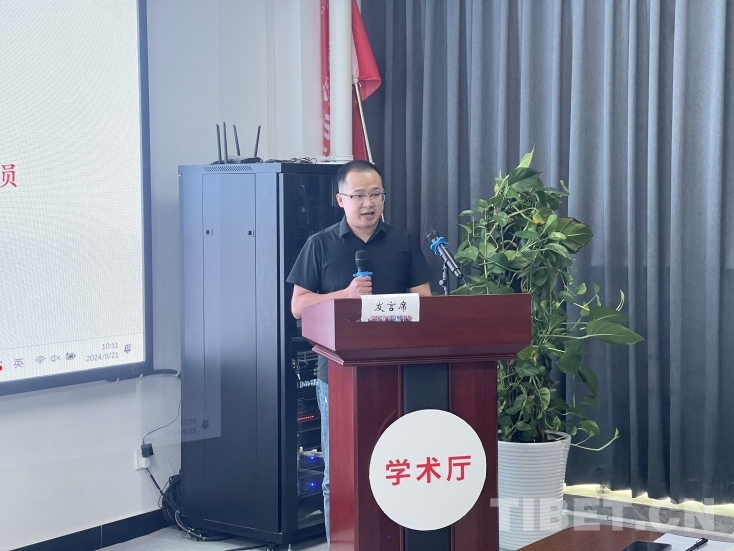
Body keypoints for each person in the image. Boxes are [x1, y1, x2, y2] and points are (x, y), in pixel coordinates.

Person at [286, 160, 433, 543]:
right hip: (336, 375)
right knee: (340, 472)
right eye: (359, 196)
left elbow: (424, 301)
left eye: (376, 195)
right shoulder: (320, 244)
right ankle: (342, 543)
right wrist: (346, 295)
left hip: (396, 371)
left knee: (395, 464)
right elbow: (299, 306)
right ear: (341, 200)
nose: (369, 203)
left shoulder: (403, 242)